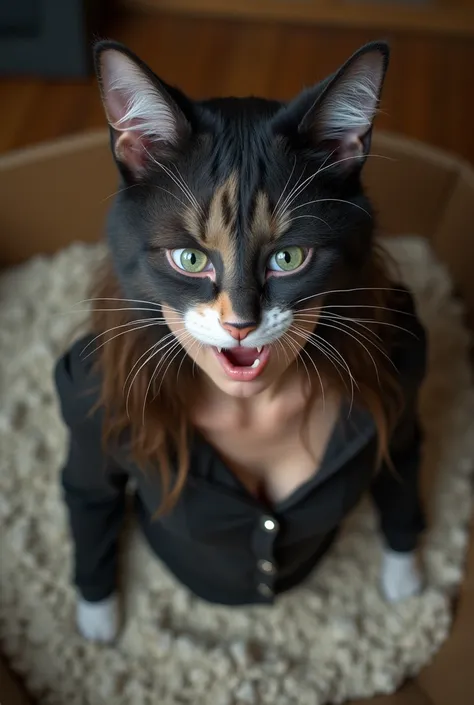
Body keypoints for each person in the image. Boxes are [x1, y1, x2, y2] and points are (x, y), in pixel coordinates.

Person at [55, 39, 426, 643]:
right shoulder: (95, 384)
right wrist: (93, 591)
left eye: (286, 256)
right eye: (189, 256)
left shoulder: (397, 348)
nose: (239, 316)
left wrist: (403, 545)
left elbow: (402, 453)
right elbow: (88, 492)